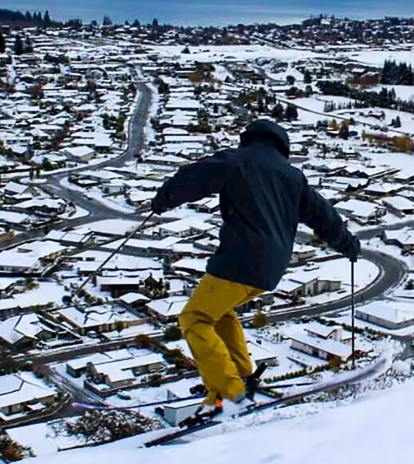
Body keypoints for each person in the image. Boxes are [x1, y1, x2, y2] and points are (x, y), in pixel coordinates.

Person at [149, 118, 360, 418]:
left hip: (239, 259)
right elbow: (324, 216)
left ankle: (229, 393)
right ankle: (240, 377)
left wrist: (163, 199)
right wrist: (348, 245)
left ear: (250, 138)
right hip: (271, 268)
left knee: (194, 319)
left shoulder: (240, 160)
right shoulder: (293, 176)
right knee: (220, 313)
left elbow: (194, 177)